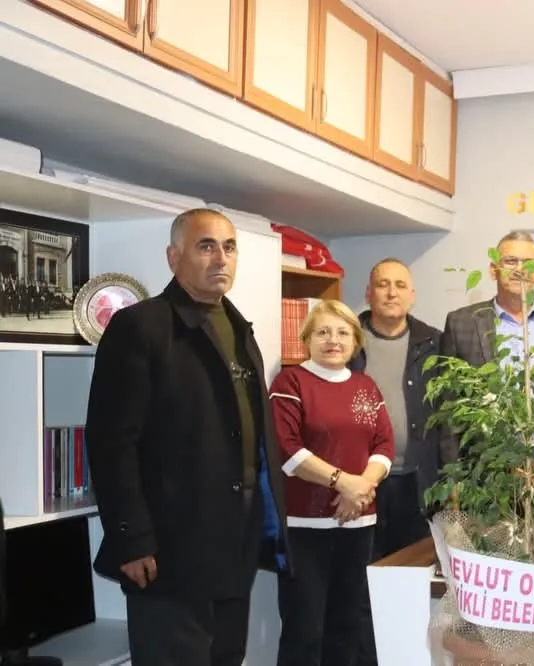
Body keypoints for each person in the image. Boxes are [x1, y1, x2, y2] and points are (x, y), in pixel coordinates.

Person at [84, 208, 289, 666]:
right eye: (206, 246)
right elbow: (111, 442)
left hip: (233, 545)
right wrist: (131, 538)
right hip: (168, 550)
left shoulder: (239, 329)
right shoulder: (141, 326)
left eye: (229, 247)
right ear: (173, 257)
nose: (221, 258)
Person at [269, 300, 393, 666]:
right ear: (307, 339)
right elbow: (286, 450)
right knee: (304, 628)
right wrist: (343, 483)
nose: (333, 340)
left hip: (359, 523)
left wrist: (361, 486)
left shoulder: (366, 386)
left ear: (355, 341)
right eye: (323, 332)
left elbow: (384, 445)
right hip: (304, 527)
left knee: (347, 626)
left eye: (342, 333)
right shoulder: (290, 382)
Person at [352, 259, 441, 666]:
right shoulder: (348, 338)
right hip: (362, 484)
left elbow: (450, 415)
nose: (391, 292)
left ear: (412, 295)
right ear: (368, 293)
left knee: (411, 583)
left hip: (416, 484)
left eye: (400, 285)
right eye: (382, 284)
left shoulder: (434, 342)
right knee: (362, 582)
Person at [439, 231, 534, 461]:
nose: (520, 269)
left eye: (528, 263)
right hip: (487, 464)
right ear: (493, 270)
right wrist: (453, 474)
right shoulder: (462, 323)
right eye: (511, 261)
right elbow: (448, 408)